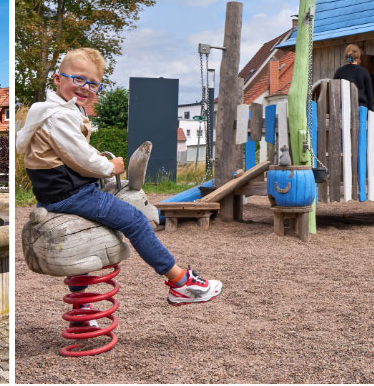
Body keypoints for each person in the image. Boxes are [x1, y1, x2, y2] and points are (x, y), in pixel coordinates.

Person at [16, 47, 223, 304]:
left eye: (93, 84)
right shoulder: (59, 115)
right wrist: (109, 167)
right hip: (70, 193)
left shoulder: (58, 110)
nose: (85, 88)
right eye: (78, 79)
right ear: (58, 79)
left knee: (84, 246)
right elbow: (80, 157)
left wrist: (97, 160)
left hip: (51, 193)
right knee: (134, 220)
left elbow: (70, 151)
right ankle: (180, 282)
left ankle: (82, 315)